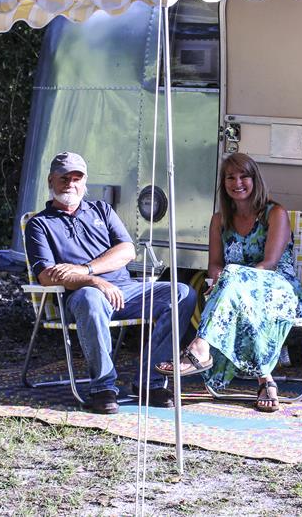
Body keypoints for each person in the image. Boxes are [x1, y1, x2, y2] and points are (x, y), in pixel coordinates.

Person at [25, 151, 196, 414]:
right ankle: (103, 387)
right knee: (91, 297)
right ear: (51, 180)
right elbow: (47, 276)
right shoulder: (40, 224)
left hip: (124, 290)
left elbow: (127, 251)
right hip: (79, 295)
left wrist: (87, 268)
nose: (70, 183)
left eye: (76, 178)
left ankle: (149, 382)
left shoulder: (101, 211)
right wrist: (93, 281)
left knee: (182, 293)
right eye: (64, 178)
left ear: (85, 182)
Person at [158, 153, 302, 412]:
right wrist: (218, 281)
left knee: (233, 282)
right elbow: (214, 263)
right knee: (233, 291)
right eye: (230, 177)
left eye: (244, 176)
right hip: (234, 291)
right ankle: (265, 380)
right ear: (223, 183)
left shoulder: (275, 213)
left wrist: (229, 281)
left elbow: (270, 262)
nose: (238, 182)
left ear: (255, 179)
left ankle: (200, 347)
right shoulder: (219, 220)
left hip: (278, 288)